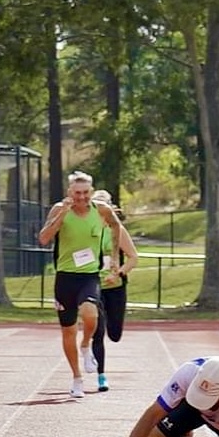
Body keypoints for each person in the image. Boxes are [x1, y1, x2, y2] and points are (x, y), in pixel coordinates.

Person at [37, 170, 126, 399]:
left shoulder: (101, 210)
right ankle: (76, 377)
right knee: (67, 331)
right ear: (70, 192)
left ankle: (86, 344)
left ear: (92, 192)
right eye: (77, 193)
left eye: (86, 192)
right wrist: (62, 214)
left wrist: (115, 259)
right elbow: (44, 238)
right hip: (65, 277)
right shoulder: (59, 209)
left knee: (90, 314)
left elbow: (116, 227)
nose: (82, 197)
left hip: (89, 275)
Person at [90, 190, 139, 393]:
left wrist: (118, 273)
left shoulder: (117, 230)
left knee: (115, 333)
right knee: (97, 331)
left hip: (115, 286)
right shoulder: (88, 229)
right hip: (92, 285)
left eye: (104, 205)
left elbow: (133, 257)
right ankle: (101, 375)